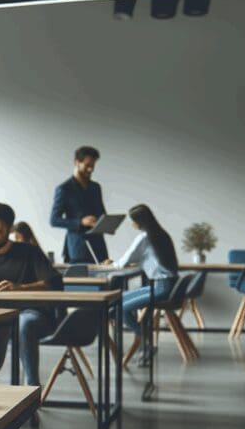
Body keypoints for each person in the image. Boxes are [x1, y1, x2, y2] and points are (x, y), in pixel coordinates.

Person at [0, 203, 64, 387]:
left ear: (9, 230)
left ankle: (32, 387)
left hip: (32, 314)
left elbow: (55, 282)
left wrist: (20, 288)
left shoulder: (29, 252)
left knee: (24, 324)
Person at [105, 203, 179, 347]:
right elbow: (144, 259)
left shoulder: (144, 237)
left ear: (139, 222)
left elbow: (124, 261)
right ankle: (144, 339)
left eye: (133, 221)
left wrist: (111, 264)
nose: (132, 224)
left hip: (161, 288)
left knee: (120, 308)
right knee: (119, 300)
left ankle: (145, 338)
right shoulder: (161, 234)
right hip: (167, 285)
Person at [49, 145, 108, 263]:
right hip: (78, 248)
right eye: (87, 165)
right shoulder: (64, 189)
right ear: (77, 162)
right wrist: (81, 222)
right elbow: (54, 220)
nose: (90, 169)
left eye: (93, 166)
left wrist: (107, 224)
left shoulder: (96, 187)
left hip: (99, 246)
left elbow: (101, 213)